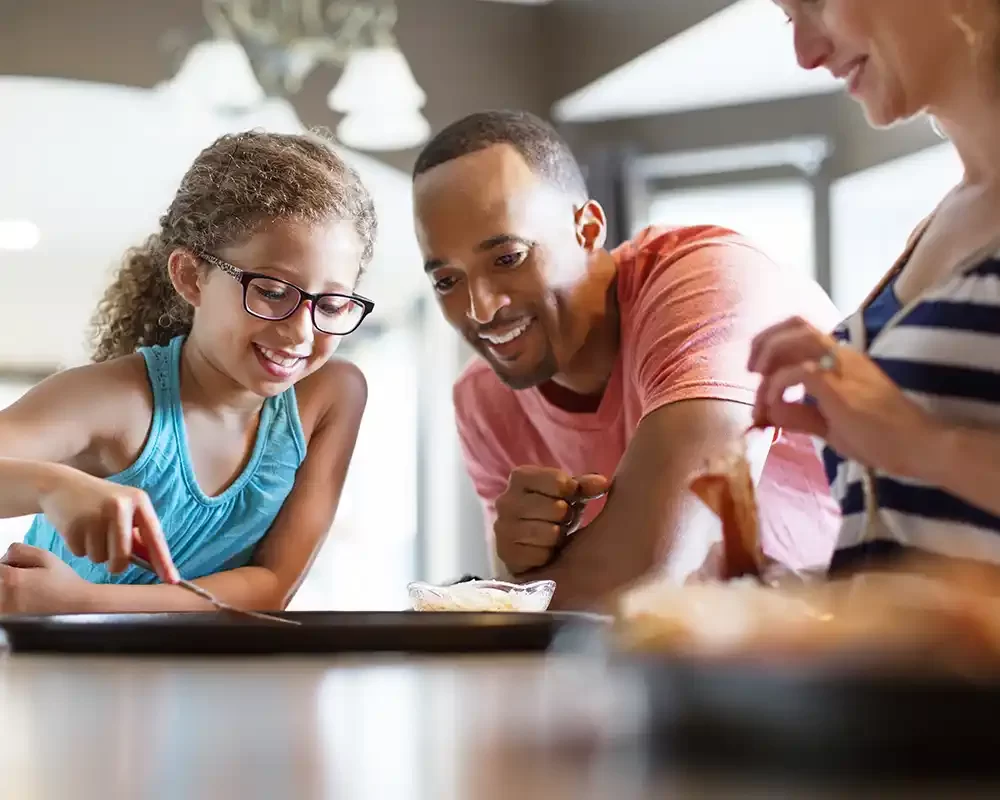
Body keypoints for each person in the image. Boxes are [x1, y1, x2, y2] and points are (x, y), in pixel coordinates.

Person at [411, 110, 843, 609]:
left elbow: (650, 570)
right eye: (446, 280)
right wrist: (518, 559)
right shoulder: (483, 399)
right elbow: (539, 604)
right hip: (680, 668)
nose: (479, 308)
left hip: (871, 649)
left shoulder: (707, 280)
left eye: (508, 258)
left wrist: (517, 592)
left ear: (588, 229)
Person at [0, 130, 374, 613]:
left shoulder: (329, 397)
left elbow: (273, 584)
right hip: (61, 678)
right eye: (273, 292)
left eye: (333, 302)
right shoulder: (116, 401)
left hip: (214, 682)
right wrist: (50, 485)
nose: (302, 333)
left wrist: (84, 601)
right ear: (192, 277)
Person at [752, 1, 1000, 575]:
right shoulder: (936, 227)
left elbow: (914, 446)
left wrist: (927, 446)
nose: (806, 54)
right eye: (791, 19)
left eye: (817, 2)